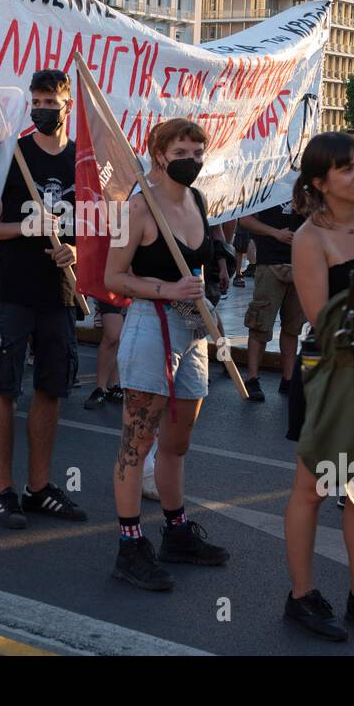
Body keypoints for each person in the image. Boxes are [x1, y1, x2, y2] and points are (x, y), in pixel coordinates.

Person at [104, 118, 230, 591]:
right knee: (136, 443)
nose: (193, 162)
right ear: (158, 154)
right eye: (183, 152)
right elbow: (114, 277)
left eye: (198, 153)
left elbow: (199, 255)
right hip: (149, 328)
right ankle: (130, 544)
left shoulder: (197, 200)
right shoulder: (139, 209)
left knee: (177, 442)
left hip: (192, 329)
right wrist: (167, 287)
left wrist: (218, 263)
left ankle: (176, 532)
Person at [281, 132, 354, 640]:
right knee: (313, 489)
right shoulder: (309, 238)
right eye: (345, 169)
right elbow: (323, 319)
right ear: (319, 183)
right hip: (329, 371)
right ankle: (301, 597)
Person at [0, 69, 87, 528]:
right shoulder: (11, 155)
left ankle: (38, 487)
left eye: (51, 102)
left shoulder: (82, 161)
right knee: (2, 388)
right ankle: (2, 491)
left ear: (68, 105)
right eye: (36, 102)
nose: (42, 110)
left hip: (60, 293)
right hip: (12, 292)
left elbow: (99, 228)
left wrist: (76, 247)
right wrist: (24, 229)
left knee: (51, 389)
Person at [239, 199, 306, 401]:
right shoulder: (269, 181)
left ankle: (288, 378)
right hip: (269, 263)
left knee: (293, 327)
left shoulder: (307, 185)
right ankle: (252, 378)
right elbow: (245, 219)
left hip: (300, 263)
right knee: (260, 324)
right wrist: (275, 232)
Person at [84, 298, 125, 410]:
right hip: (111, 290)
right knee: (112, 335)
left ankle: (113, 386)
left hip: (137, 290)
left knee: (123, 335)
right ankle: (100, 388)